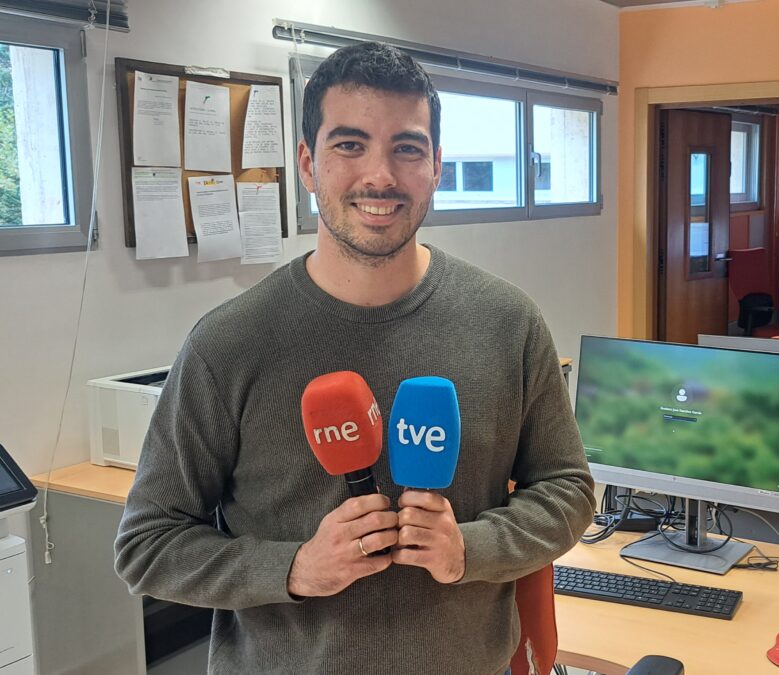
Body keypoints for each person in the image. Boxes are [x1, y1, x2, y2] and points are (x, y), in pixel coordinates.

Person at [114, 42, 595, 675]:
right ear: (308, 165)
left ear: (437, 166)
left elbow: (566, 490)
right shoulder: (228, 344)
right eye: (349, 145)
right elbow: (148, 546)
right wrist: (293, 568)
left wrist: (469, 550)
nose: (380, 176)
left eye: (407, 147)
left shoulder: (508, 323)